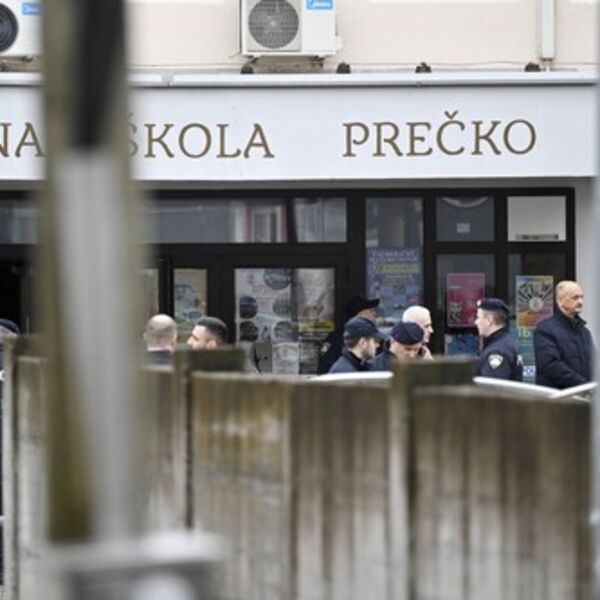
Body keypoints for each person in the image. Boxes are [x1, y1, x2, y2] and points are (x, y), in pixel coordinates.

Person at [533, 280, 593, 389]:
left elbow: (594, 363)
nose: (580, 302)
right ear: (560, 301)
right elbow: (551, 366)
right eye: (575, 298)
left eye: (581, 297)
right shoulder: (545, 330)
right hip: (559, 396)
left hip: (584, 395)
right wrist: (584, 386)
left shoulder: (584, 332)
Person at [318, 294, 379, 374]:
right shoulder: (336, 339)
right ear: (360, 316)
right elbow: (325, 367)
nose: (375, 314)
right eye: (370, 311)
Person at [474, 298, 523, 381]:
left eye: (478, 317)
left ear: (489, 320)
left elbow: (491, 386)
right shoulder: (506, 343)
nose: (476, 322)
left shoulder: (497, 352)